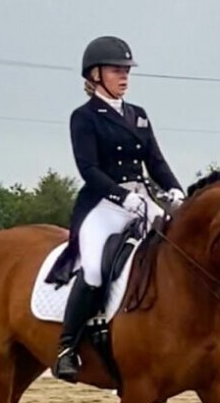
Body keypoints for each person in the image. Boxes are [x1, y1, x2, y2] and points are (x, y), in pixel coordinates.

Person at [54, 35, 185, 382]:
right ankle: (67, 347)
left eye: (127, 70)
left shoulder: (137, 115)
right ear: (95, 75)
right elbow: (88, 169)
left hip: (142, 201)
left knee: (176, 252)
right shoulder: (84, 117)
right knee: (95, 268)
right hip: (103, 204)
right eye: (116, 70)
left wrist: (175, 192)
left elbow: (156, 161)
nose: (124, 76)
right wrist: (120, 196)